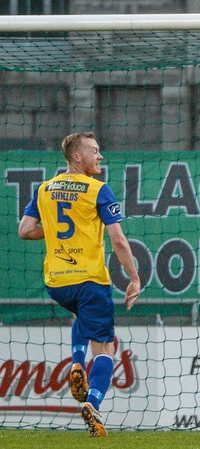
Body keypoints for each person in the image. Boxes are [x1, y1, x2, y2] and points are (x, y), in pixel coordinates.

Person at [18, 132, 142, 437]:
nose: (100, 156)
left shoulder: (45, 189)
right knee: (106, 345)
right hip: (89, 279)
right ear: (76, 157)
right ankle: (93, 404)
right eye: (94, 151)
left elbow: (25, 230)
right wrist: (134, 277)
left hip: (56, 282)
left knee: (81, 317)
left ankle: (76, 364)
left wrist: (63, 236)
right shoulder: (98, 189)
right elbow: (119, 240)